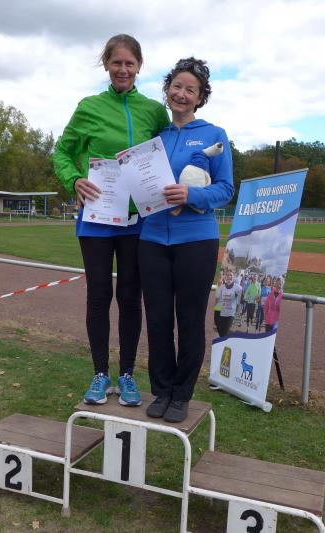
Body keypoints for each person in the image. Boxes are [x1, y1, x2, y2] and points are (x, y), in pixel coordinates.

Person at [53, 34, 170, 406]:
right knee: (99, 295)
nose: (123, 69)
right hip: (98, 218)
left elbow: (167, 153)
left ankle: (128, 375)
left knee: (130, 298)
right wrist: (74, 180)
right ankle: (100, 374)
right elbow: (62, 152)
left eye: (129, 63)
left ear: (139, 66)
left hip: (139, 221)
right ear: (106, 64)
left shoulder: (154, 111)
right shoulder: (89, 107)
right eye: (116, 62)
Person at [139, 57, 234, 423]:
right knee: (158, 319)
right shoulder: (155, 138)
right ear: (167, 90)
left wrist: (191, 195)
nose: (181, 94)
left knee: (190, 320)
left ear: (200, 97)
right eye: (176, 86)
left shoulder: (214, 134)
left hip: (196, 239)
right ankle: (162, 390)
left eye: (190, 90)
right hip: (152, 238)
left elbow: (225, 189)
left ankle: (181, 394)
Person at [214, 270, 241, 337]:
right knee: (221, 332)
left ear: (233, 277)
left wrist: (237, 313)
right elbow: (217, 298)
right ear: (225, 277)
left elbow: (239, 301)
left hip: (230, 314)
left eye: (231, 275)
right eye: (228, 275)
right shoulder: (222, 287)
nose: (229, 276)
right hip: (222, 313)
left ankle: (224, 342)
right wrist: (213, 307)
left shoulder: (238, 287)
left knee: (224, 333)